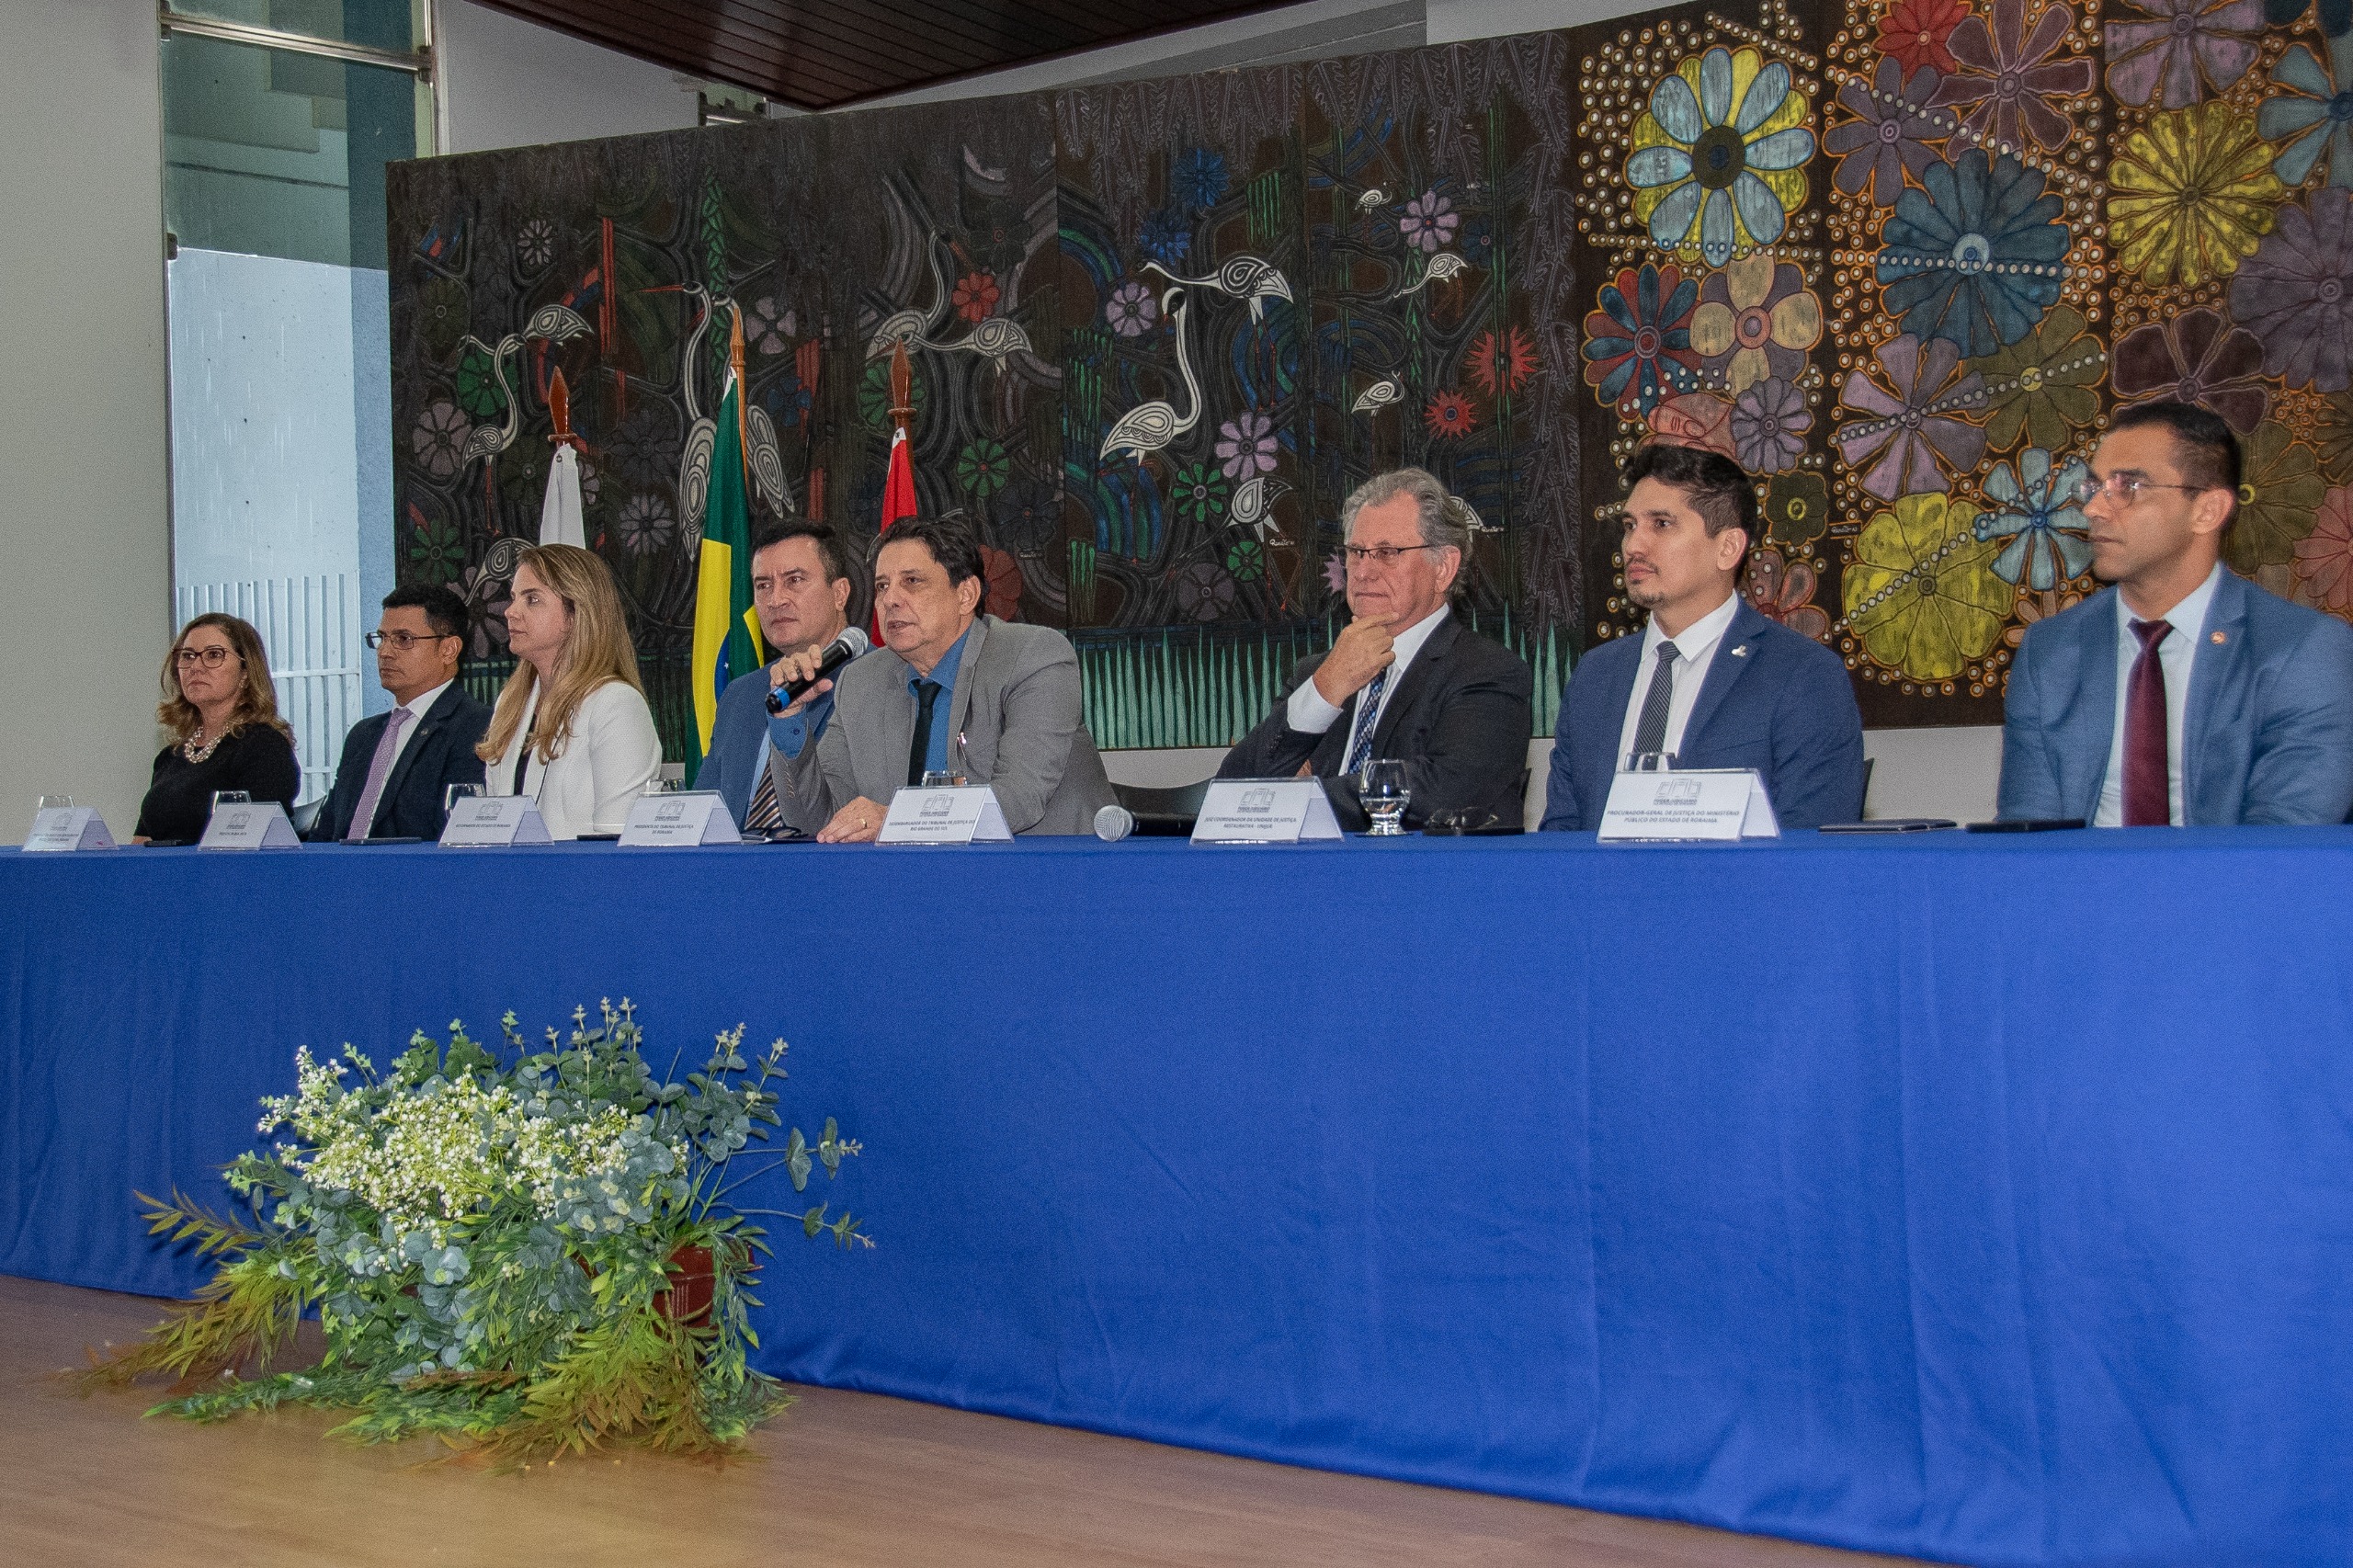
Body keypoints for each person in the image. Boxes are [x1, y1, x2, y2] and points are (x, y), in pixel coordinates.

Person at [1999, 400, 2353, 825]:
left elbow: (2282, 842)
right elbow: (2030, 836)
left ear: (2207, 511)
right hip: (2085, 871)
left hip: (2232, 870)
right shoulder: (2051, 651)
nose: (2093, 509)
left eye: (2128, 487)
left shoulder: (2305, 650)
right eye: (2093, 488)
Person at [1542, 444, 1864, 832]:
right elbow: (1560, 835)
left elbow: (1812, 846)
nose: (1633, 546)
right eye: (1629, 526)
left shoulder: (1803, 675)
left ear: (1728, 548)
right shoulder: (1595, 675)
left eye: (1661, 524)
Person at [1219, 468, 1533, 830]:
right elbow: (1231, 795)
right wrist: (1324, 691)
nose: (1363, 572)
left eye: (1387, 553)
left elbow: (1442, 791)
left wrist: (1299, 796)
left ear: (1444, 568)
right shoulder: (1317, 674)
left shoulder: (1488, 672)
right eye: (1356, 552)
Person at [765, 515, 1113, 840]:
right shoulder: (861, 683)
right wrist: (789, 720)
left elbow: (1018, 800)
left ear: (966, 595)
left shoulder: (1033, 657)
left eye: (912, 581)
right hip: (916, 881)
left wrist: (896, 819)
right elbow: (818, 822)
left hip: (1049, 875)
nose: (890, 600)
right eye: (882, 586)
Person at [478, 543, 664, 839]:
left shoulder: (616, 704)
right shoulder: (511, 702)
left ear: (575, 615)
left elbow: (617, 840)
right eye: (513, 598)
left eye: (532, 599)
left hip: (585, 870)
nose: (510, 612)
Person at [697, 520, 854, 832]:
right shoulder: (740, 695)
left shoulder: (878, 682)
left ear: (840, 594)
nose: (775, 600)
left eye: (794, 580)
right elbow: (700, 814)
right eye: (763, 585)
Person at [309, 585, 491, 841]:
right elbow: (326, 832)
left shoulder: (476, 727)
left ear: (448, 650)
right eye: (382, 638)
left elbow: (454, 835)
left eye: (403, 639)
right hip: (340, 865)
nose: (385, 652)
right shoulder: (363, 735)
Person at [133, 614, 301, 844]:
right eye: (187, 656)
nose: (195, 667)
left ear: (245, 672)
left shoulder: (264, 747)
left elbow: (255, 845)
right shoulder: (169, 758)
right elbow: (140, 844)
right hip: (161, 867)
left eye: (213, 655)